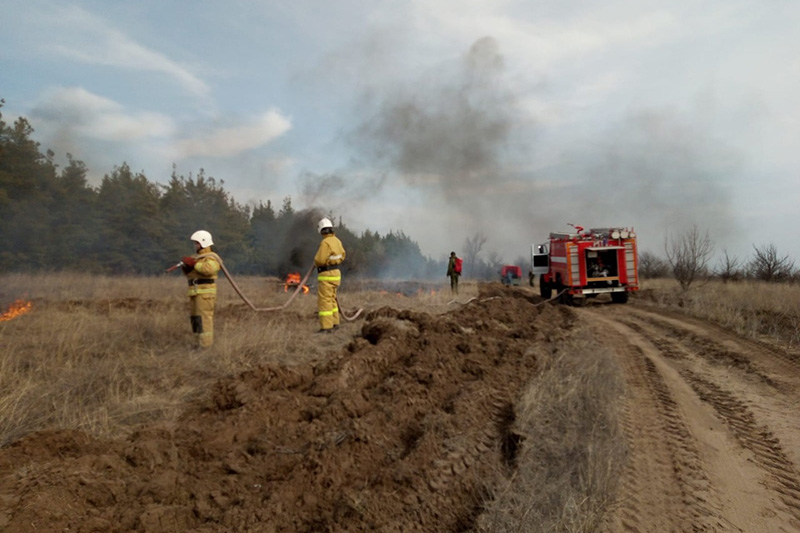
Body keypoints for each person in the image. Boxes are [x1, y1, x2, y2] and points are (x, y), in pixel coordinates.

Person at [181, 230, 221, 348]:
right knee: (196, 319)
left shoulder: (211, 258)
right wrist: (186, 268)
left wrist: (194, 265)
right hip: (195, 292)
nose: (195, 246)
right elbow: (192, 274)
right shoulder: (198, 258)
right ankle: (197, 343)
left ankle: (205, 346)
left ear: (204, 242)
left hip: (205, 294)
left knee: (204, 320)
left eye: (197, 243)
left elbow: (209, 269)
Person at [314, 218, 346, 333]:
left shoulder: (325, 242)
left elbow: (320, 259)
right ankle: (335, 322)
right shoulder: (337, 241)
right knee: (332, 299)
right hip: (336, 274)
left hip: (326, 275)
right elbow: (343, 255)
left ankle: (326, 327)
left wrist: (316, 262)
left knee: (325, 301)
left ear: (322, 231)